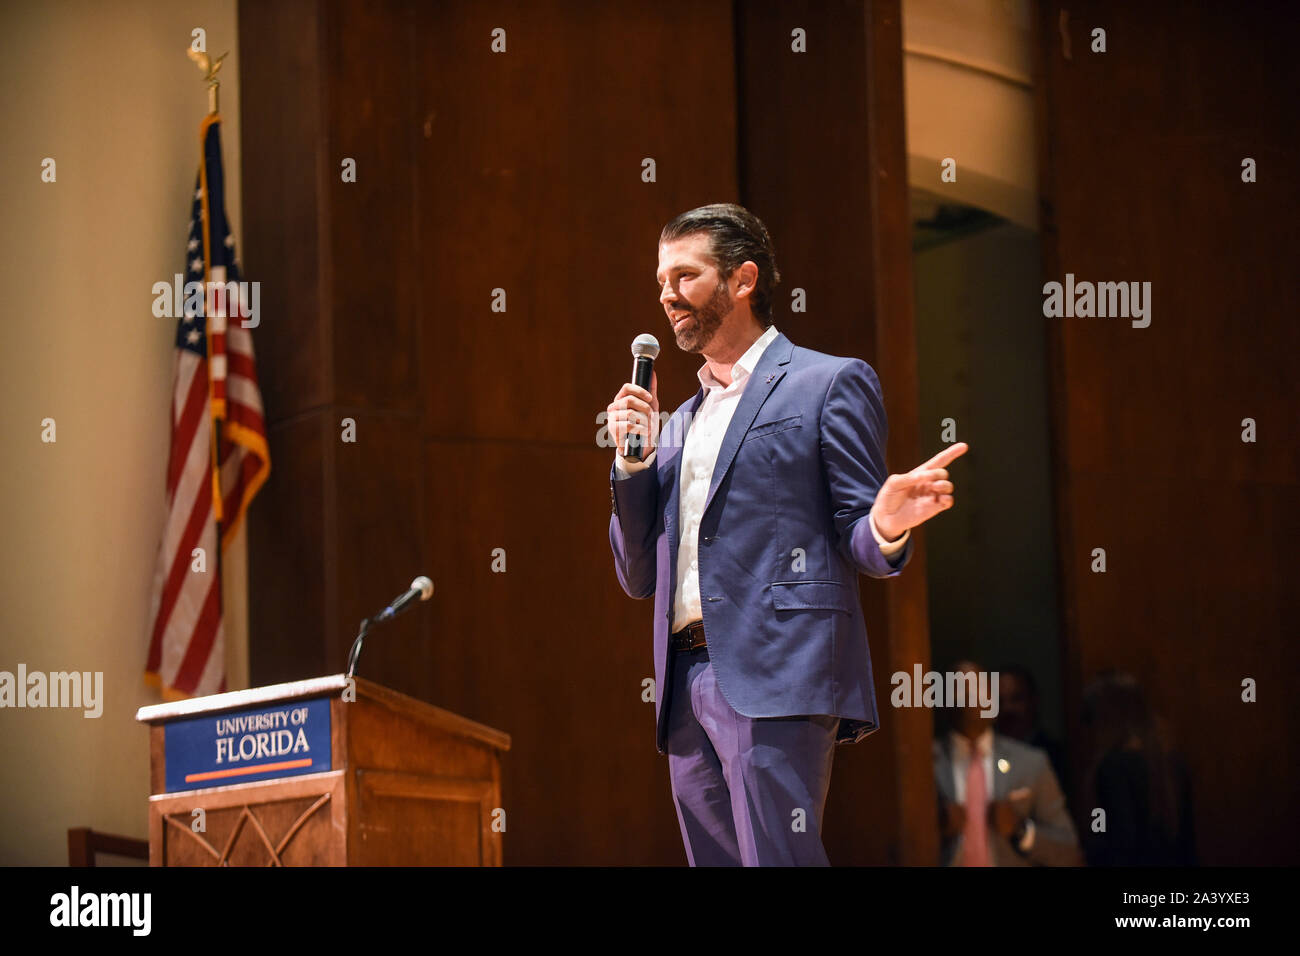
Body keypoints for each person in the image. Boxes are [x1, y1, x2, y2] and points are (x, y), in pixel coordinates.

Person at [606, 203, 968, 865]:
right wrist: (632, 462)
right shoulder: (677, 423)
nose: (665, 295)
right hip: (684, 682)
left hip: (777, 670)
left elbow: (861, 534)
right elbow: (636, 575)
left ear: (742, 281)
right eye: (660, 280)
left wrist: (885, 524)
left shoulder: (826, 383)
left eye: (684, 276)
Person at [933, 660, 1082, 866]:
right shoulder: (926, 763)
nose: (967, 698)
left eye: (976, 689)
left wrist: (1020, 829)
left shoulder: (1031, 763)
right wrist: (934, 827)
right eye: (957, 690)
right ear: (941, 702)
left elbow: (1068, 850)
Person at [1080, 671, 1196, 866]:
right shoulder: (1169, 762)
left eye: (1090, 716)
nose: (1086, 728)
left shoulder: (1113, 766)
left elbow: (1120, 844)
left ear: (1105, 718)